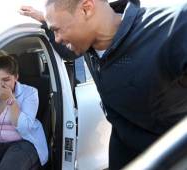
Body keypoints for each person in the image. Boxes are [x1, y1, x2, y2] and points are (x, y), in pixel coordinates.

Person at [20, 0, 187, 169]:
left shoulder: (175, 25)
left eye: (57, 29)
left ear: (86, 9)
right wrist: (47, 20)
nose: (57, 38)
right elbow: (67, 52)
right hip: (123, 152)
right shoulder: (86, 42)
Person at [0, 55, 48, 169]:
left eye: (6, 79)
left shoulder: (30, 92)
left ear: (16, 77)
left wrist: (10, 100)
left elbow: (25, 128)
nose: (0, 85)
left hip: (24, 142)